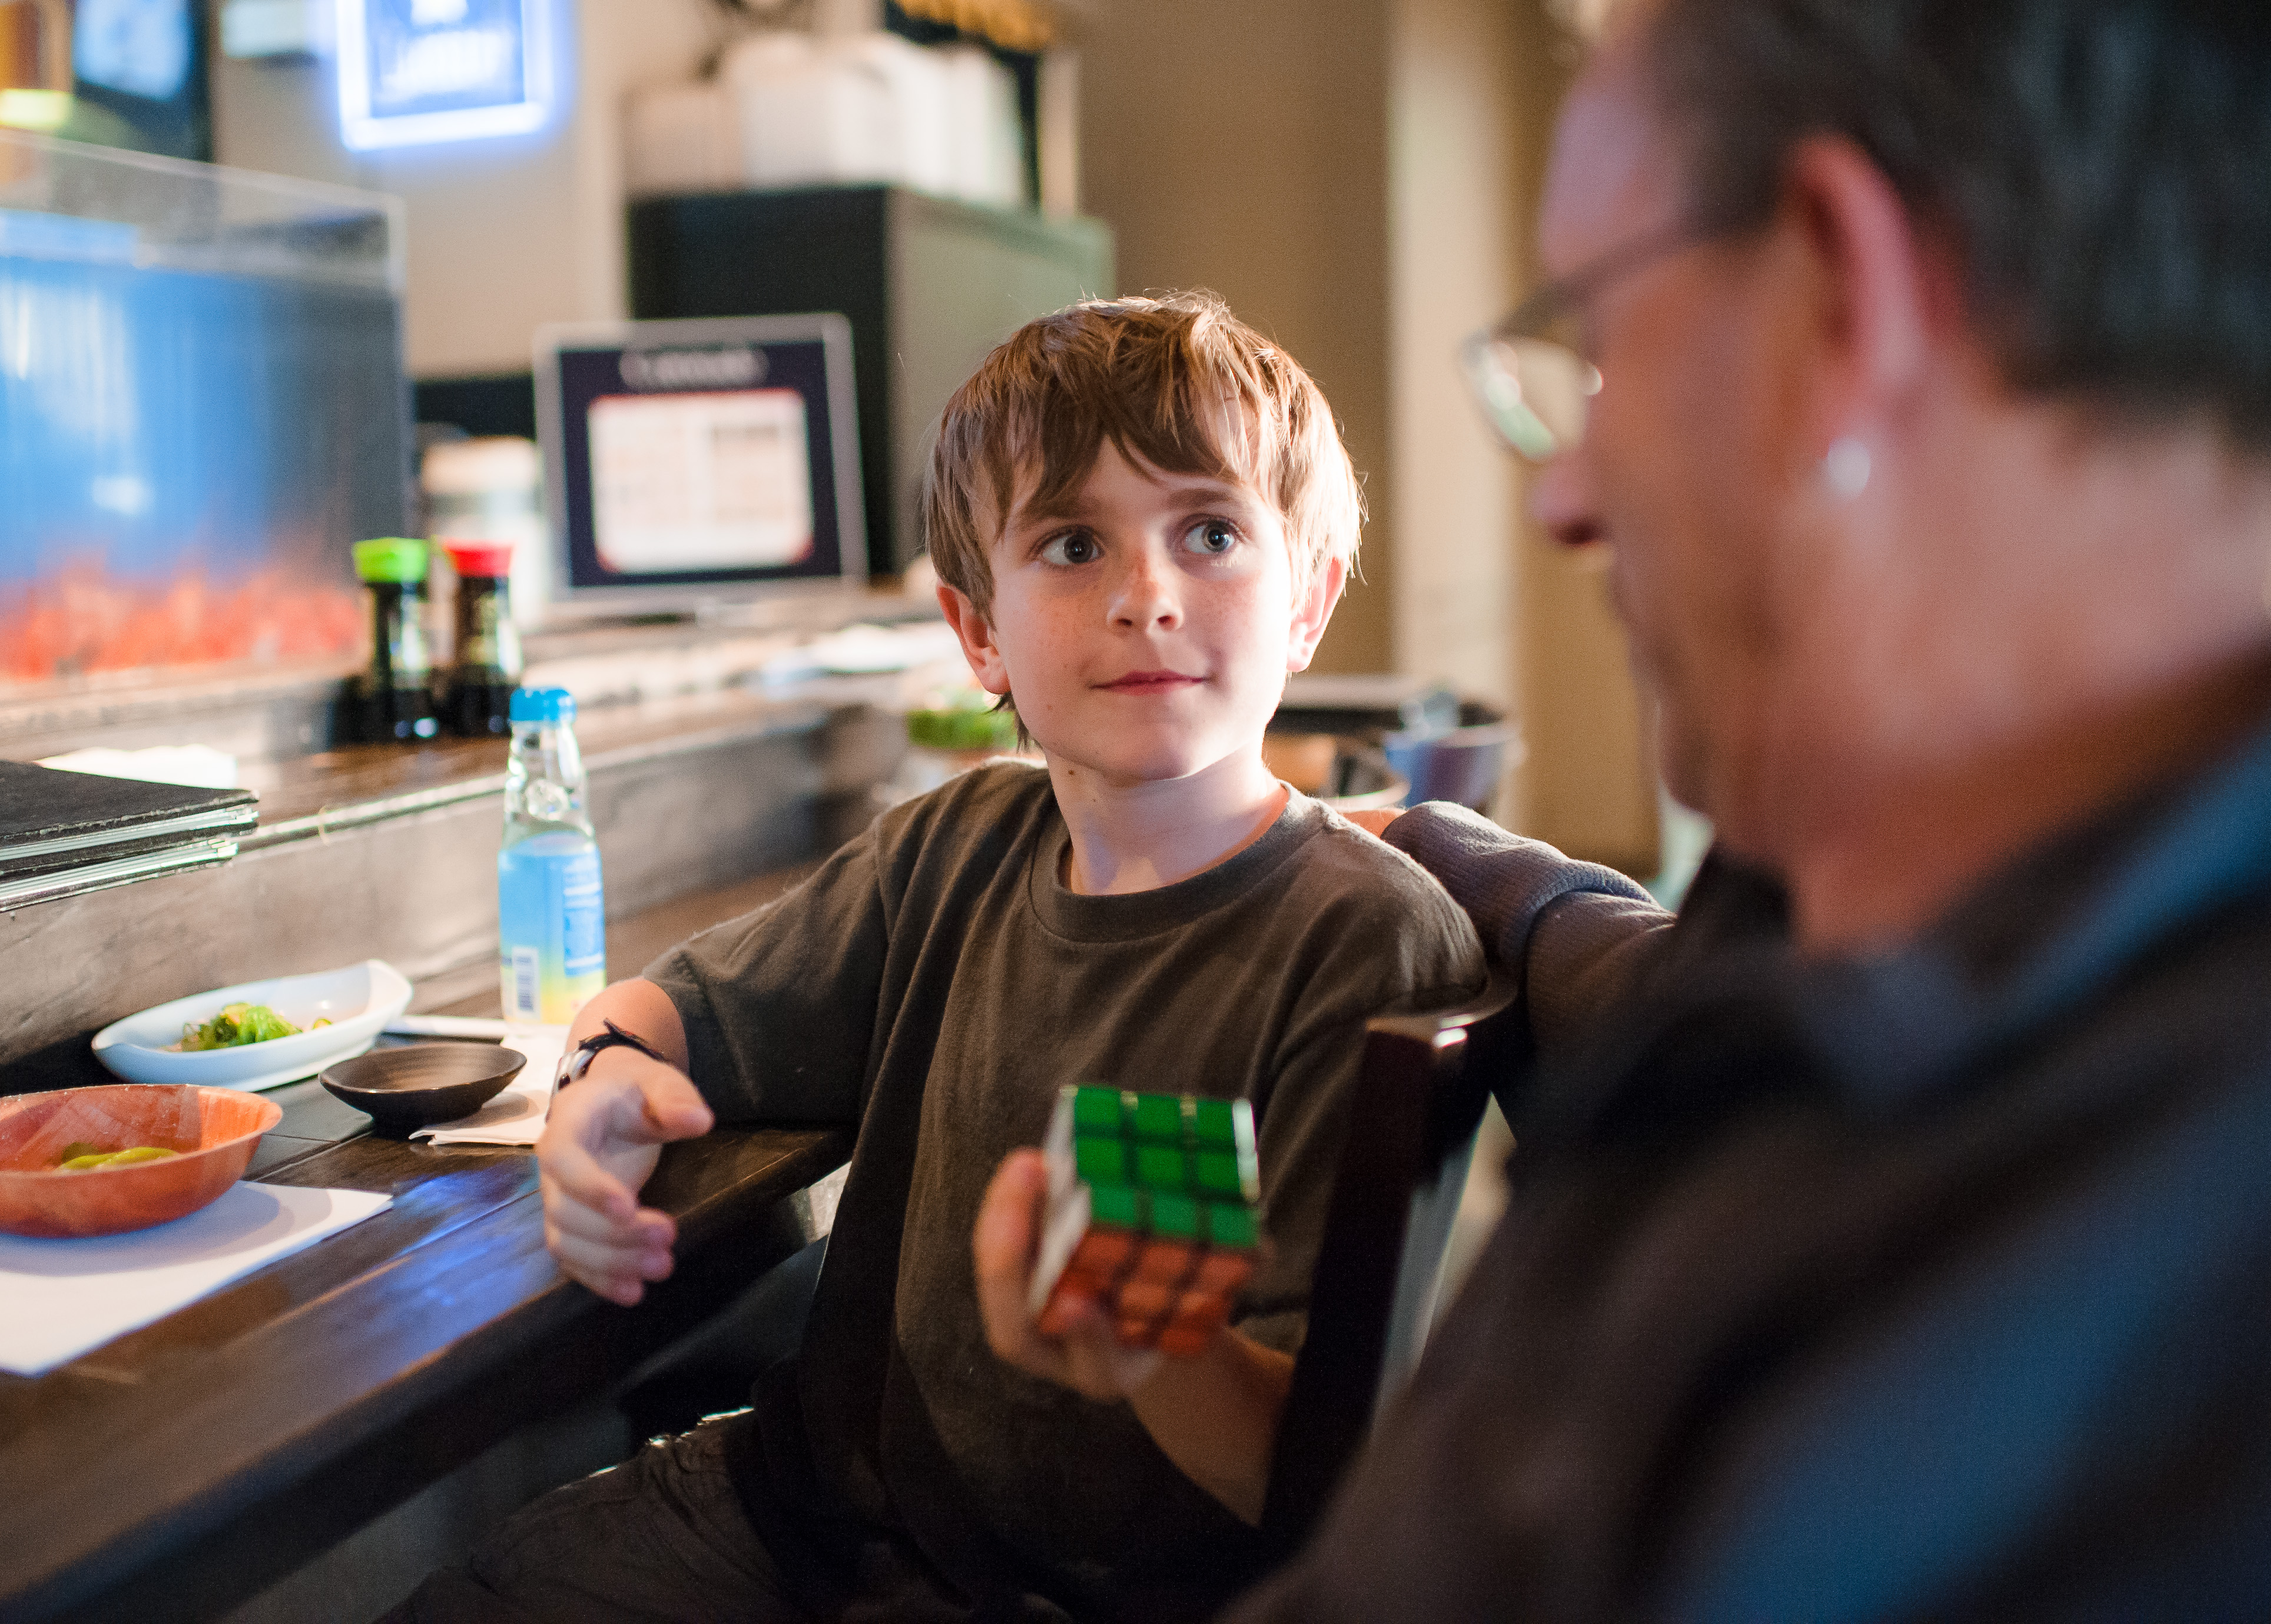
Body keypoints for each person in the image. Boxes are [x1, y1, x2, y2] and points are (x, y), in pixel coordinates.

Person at [1215, 0, 2271, 1618]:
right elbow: (1656, 971)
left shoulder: (2079, 1388)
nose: (1562, 491)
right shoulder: (1868, 858)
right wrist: (1452, 852)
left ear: (1841, 297)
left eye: (1599, 342)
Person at [388, 293, 1486, 1623]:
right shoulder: (951, 846)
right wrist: (601, 1075)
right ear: (978, 634)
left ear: (1305, 599)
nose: (1146, 598)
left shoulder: (1368, 938)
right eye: (1073, 544)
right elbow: (673, 1006)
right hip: (808, 1514)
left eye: (1210, 532)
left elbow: (1315, 1476)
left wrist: (1156, 1342)